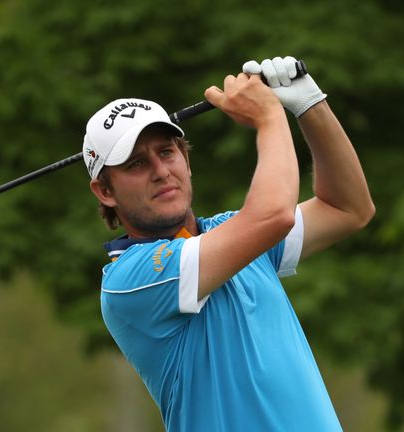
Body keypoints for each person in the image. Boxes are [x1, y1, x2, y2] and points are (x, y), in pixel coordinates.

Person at [82, 56, 375, 431]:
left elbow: (348, 208)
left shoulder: (235, 234)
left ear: (185, 159)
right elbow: (273, 216)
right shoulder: (130, 280)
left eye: (167, 152)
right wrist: (269, 118)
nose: (160, 171)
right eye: (136, 164)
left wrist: (309, 105)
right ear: (105, 191)